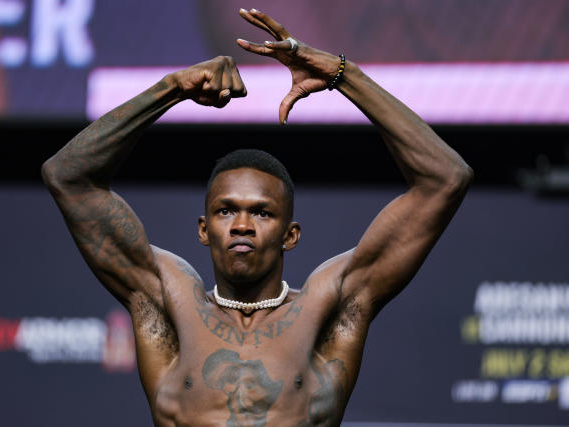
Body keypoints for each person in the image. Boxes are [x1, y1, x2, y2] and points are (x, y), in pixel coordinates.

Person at [42, 9, 472, 426]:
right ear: (204, 229)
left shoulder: (329, 307)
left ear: (290, 235)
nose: (242, 225)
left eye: (262, 213)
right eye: (226, 210)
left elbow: (445, 179)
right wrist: (171, 88)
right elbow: (67, 176)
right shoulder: (167, 303)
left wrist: (345, 75)